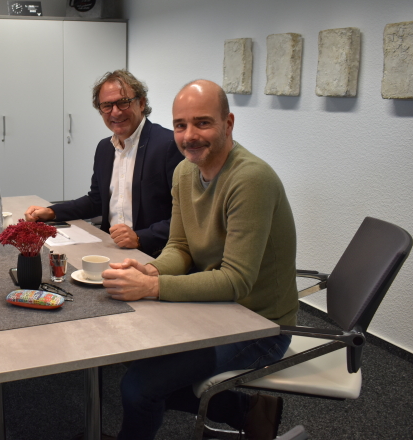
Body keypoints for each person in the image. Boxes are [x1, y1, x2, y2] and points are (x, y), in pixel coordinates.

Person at [102, 80, 299, 440]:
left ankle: (243, 410)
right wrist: (150, 268)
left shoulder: (251, 179)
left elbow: (235, 280)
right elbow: (180, 247)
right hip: (219, 310)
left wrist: (152, 285)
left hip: (260, 325)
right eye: (181, 125)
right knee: (128, 355)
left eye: (202, 123)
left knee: (138, 387)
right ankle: (247, 410)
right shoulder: (184, 172)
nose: (189, 135)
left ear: (229, 124)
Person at [24, 70, 183, 257]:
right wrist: (52, 211)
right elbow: (96, 201)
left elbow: (185, 217)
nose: (115, 112)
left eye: (123, 102)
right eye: (107, 106)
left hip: (152, 253)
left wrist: (141, 238)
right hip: (108, 247)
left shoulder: (169, 145)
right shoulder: (104, 148)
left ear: (141, 103)